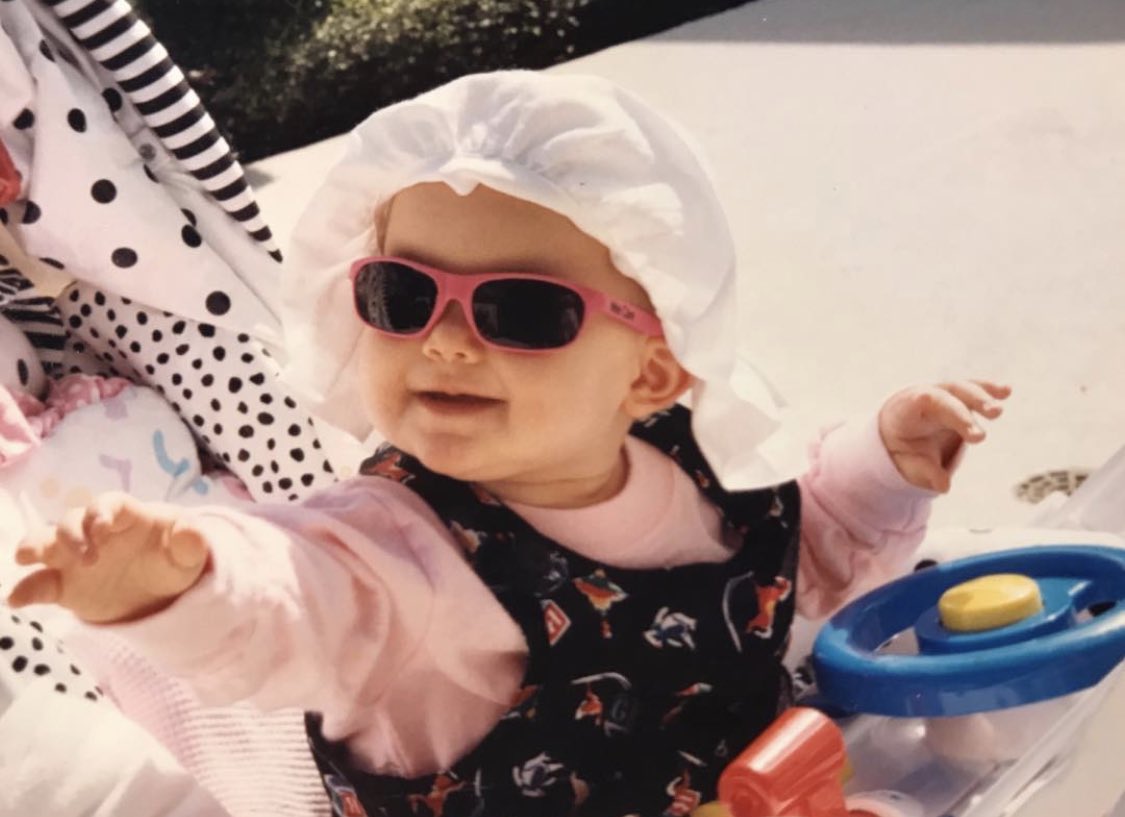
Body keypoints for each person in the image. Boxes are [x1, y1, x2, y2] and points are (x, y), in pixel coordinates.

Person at [8, 71, 1009, 817]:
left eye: (523, 310)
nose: (444, 337)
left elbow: (807, 560)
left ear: (654, 374)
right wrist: (183, 578)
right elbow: (294, 601)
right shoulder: (394, 550)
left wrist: (884, 470)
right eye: (402, 294)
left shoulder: (701, 460)